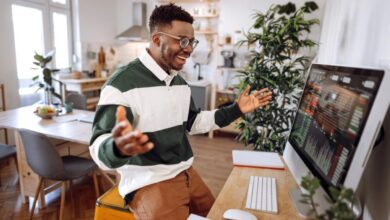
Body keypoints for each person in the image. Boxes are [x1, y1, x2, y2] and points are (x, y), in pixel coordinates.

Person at [89, 3, 272, 219]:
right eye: (182, 41)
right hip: (149, 182)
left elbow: (193, 123)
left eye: (192, 42)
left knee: (215, 215)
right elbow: (98, 144)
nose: (189, 49)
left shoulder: (178, 81)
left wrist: (237, 109)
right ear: (157, 39)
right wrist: (117, 148)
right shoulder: (122, 84)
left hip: (185, 172)